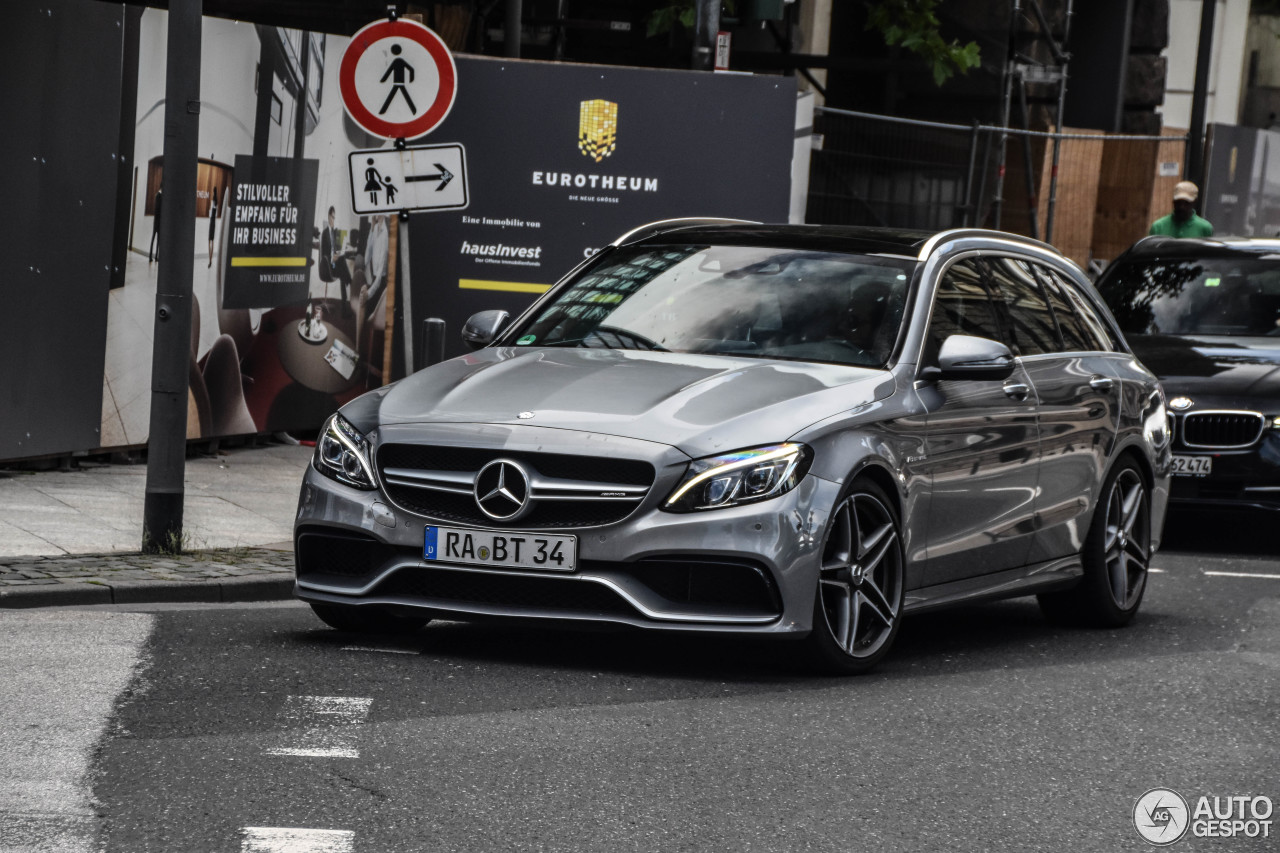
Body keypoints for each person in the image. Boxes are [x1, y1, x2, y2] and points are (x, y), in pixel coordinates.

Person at [319, 206, 353, 307]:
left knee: (342, 263)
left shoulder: (333, 232)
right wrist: (332, 258)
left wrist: (341, 248)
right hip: (328, 266)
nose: (333, 219)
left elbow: (335, 248)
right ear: (329, 216)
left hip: (334, 264)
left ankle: (344, 304)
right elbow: (324, 254)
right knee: (343, 265)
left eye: (334, 217)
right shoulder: (325, 233)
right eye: (332, 217)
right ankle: (350, 282)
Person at [361, 214, 390, 322]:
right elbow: (367, 258)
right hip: (374, 279)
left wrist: (368, 294)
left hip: (380, 282)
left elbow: (379, 275)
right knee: (364, 307)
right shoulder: (376, 229)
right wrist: (371, 229)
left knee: (368, 312)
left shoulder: (385, 235)